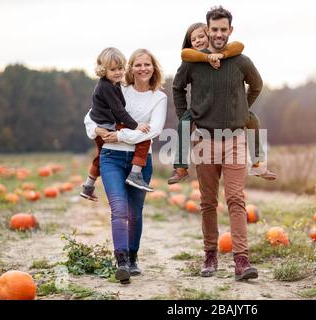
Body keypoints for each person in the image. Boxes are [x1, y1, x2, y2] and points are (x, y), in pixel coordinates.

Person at [172, 6, 261, 281]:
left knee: (236, 198)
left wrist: (242, 112)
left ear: (230, 30)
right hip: (204, 140)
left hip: (234, 139)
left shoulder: (241, 62)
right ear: (207, 30)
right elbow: (177, 87)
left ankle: (241, 261)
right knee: (208, 202)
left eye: (224, 29)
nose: (219, 34)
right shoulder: (194, 63)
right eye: (215, 30)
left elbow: (256, 86)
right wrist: (185, 116)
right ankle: (210, 255)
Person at [84, 49, 167, 284]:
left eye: (147, 64)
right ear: (130, 68)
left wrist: (118, 135)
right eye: (138, 64)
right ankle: (121, 263)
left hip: (141, 161)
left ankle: (132, 258)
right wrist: (98, 131)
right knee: (119, 208)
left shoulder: (158, 97)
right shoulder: (118, 88)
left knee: (134, 213)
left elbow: (154, 130)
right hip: (111, 158)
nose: (143, 69)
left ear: (154, 67)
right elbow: (90, 117)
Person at [168, 22, 276, 184]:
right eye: (193, 39)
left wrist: (241, 107)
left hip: (231, 112)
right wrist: (183, 112)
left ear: (211, 35)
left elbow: (239, 45)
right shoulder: (191, 61)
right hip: (201, 111)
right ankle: (181, 168)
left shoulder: (230, 55)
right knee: (183, 123)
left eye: (201, 36)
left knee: (253, 120)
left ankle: (258, 163)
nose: (197, 41)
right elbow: (179, 80)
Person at [80, 47, 153, 202]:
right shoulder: (105, 87)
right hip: (105, 126)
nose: (118, 72)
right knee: (144, 138)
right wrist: (135, 125)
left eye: (120, 68)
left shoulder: (114, 83)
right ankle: (135, 174)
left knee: (101, 156)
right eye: (113, 69)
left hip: (104, 124)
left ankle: (88, 186)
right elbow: (119, 111)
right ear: (103, 70)